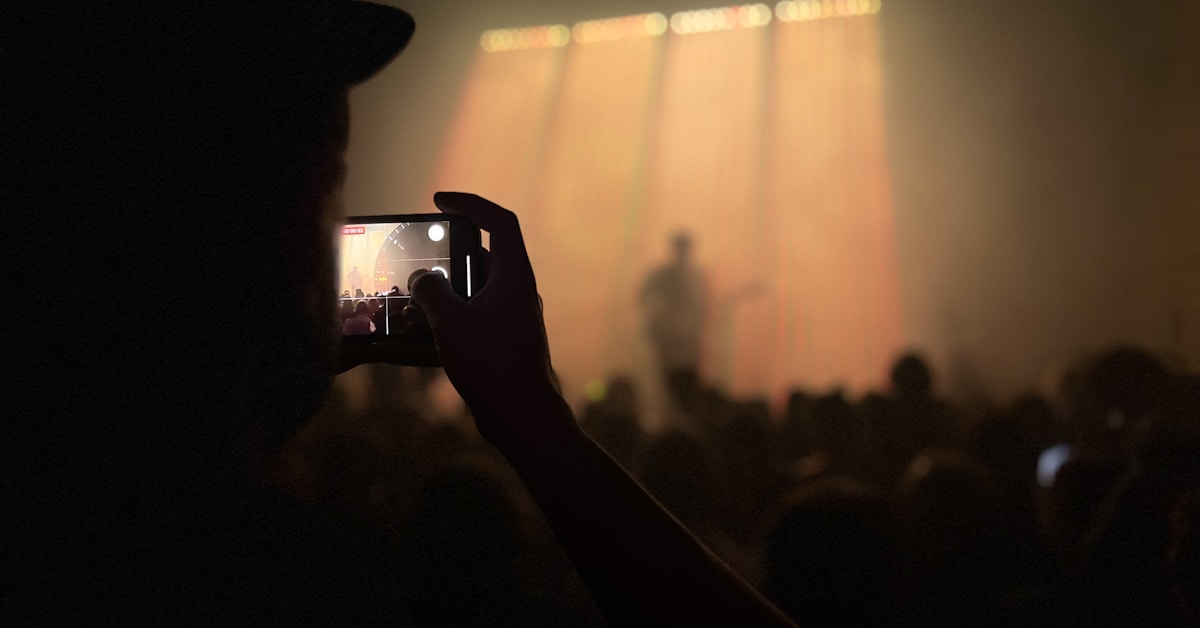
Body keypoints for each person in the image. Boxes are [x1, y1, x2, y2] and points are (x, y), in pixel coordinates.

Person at [5, 2, 793, 625]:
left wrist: (261, 393)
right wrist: (536, 420)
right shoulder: (297, 585)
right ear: (269, 223)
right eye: (333, 185)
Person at [640, 230, 709, 411]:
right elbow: (644, 298)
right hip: (669, 337)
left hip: (689, 339)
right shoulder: (662, 274)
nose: (683, 252)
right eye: (681, 248)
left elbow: (704, 305)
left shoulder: (698, 275)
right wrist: (657, 321)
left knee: (688, 382)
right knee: (666, 382)